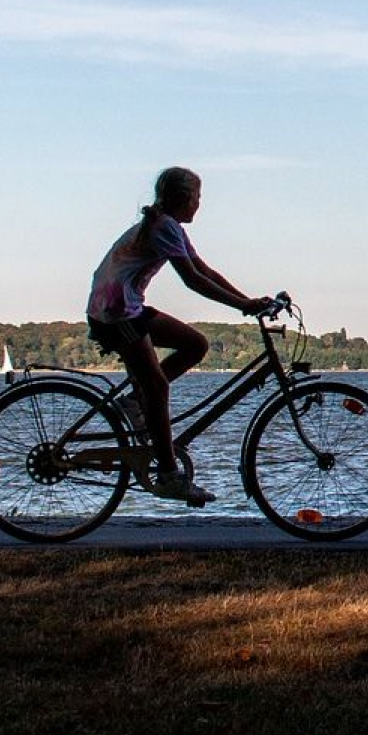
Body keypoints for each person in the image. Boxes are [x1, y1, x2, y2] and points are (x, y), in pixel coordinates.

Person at [85, 167, 272, 504]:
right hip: (115, 312)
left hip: (125, 306)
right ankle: (169, 475)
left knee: (195, 344)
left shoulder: (169, 225)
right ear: (184, 198)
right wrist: (242, 306)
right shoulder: (163, 225)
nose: (200, 204)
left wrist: (247, 301)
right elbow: (193, 280)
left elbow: (204, 269)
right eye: (198, 197)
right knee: (157, 386)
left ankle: (133, 400)